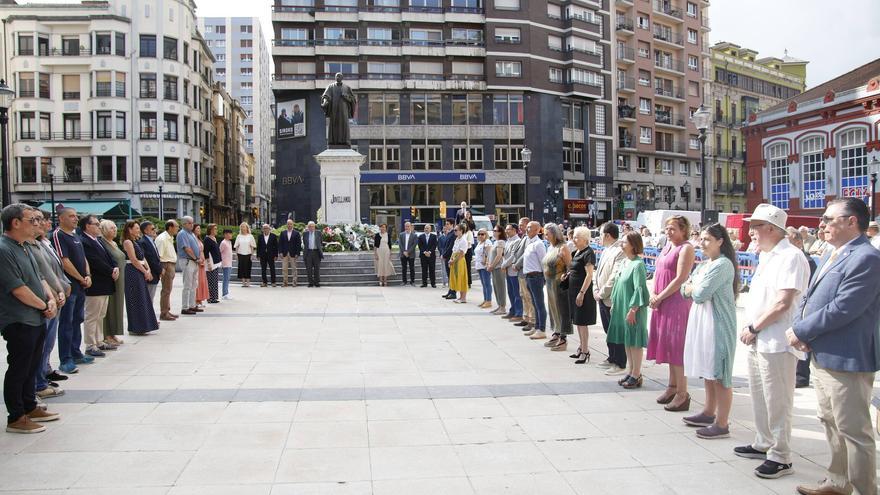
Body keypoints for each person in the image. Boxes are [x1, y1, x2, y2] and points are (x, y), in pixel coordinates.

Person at [788, 198, 880, 495]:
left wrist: (801, 330)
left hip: (846, 356)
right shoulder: (834, 252)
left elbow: (843, 308)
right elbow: (811, 296)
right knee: (830, 422)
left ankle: (866, 489)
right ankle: (839, 482)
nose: (822, 224)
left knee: (855, 431)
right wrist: (802, 329)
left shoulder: (866, 258)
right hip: (823, 353)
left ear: (852, 222)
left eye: (829, 219)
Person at [735, 203, 810, 480]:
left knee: (778, 399)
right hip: (759, 339)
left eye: (755, 226)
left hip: (776, 341)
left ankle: (781, 455)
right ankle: (763, 441)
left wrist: (754, 326)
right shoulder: (768, 255)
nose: (750, 231)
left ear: (771, 228)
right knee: (760, 396)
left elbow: (783, 302)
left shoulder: (791, 256)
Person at [0, 204, 61, 434]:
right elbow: (18, 288)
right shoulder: (4, 249)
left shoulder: (25, 246)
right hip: (19, 319)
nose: (37, 223)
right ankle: (16, 416)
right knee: (19, 368)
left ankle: (30, 405)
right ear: (15, 223)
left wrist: (50, 298)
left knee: (32, 366)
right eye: (31, 220)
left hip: (36, 317)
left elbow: (39, 278)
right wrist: (44, 304)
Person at [681, 224, 739, 439]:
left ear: (720, 241)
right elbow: (684, 288)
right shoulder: (705, 265)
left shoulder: (723, 265)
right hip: (702, 323)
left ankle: (722, 423)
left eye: (707, 239)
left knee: (720, 374)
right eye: (701, 239)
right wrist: (692, 287)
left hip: (717, 324)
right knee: (708, 370)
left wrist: (693, 288)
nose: (701, 243)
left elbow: (699, 294)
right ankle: (708, 411)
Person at [647, 215, 696, 412]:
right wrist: (654, 293)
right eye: (667, 228)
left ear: (684, 230)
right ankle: (672, 386)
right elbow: (658, 272)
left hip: (675, 301)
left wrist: (660, 296)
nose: (669, 232)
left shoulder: (686, 248)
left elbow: (681, 278)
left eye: (673, 228)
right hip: (662, 300)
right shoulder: (667, 247)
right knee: (667, 344)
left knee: (677, 347)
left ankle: (683, 393)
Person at [31, 211, 69, 399]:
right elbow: (39, 276)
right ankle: (38, 383)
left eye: (41, 219)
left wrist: (61, 289)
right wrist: (52, 296)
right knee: (41, 345)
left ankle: (42, 376)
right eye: (35, 220)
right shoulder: (27, 247)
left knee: (47, 343)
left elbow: (52, 271)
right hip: (44, 303)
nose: (40, 223)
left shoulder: (42, 244)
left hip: (54, 298)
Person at [606, 231, 650, 389]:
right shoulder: (625, 262)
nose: (621, 244)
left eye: (624, 242)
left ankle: (637, 373)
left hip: (633, 308)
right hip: (622, 306)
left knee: (635, 341)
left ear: (633, 245)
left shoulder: (638, 264)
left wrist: (633, 309)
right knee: (627, 340)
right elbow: (619, 285)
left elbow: (640, 288)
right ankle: (630, 371)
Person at [52, 207, 92, 373]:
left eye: (76, 216)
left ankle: (76, 352)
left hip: (81, 286)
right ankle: (65, 359)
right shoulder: (58, 235)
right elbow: (64, 261)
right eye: (71, 216)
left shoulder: (75, 236)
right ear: (61, 218)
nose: (75, 219)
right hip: (70, 287)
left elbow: (83, 258)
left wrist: (88, 274)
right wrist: (80, 278)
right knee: (66, 323)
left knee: (77, 320)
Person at [79, 214, 118, 358]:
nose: (98, 227)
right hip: (95, 284)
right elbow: (94, 261)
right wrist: (110, 270)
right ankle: (90, 344)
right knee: (92, 315)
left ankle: (99, 341)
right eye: (96, 224)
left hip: (105, 282)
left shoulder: (97, 240)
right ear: (87, 226)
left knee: (100, 315)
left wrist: (115, 267)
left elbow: (109, 257)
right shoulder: (84, 241)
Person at [593, 222, 628, 375]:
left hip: (610, 297)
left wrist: (602, 293)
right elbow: (598, 271)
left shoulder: (619, 250)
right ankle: (612, 356)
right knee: (608, 329)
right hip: (601, 295)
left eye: (600, 234)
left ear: (607, 235)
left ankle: (620, 362)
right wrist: (595, 288)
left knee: (616, 331)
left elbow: (615, 276)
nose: (598, 237)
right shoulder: (606, 250)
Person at [786, 227, 817, 388]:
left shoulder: (806, 260)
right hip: (797, 308)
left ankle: (802, 376)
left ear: (799, 241)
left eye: (790, 240)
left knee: (804, 341)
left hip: (804, 306)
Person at [121, 221, 159, 335]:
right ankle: (136, 327)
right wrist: (144, 271)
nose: (138, 230)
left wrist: (148, 270)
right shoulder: (127, 242)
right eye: (136, 228)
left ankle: (144, 325)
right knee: (135, 298)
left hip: (140, 271)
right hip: (133, 272)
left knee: (142, 298)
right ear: (129, 229)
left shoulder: (135, 241)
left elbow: (143, 258)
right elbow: (133, 260)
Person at [567, 226, 596, 364]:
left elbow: (589, 275)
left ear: (585, 239)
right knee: (578, 322)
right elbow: (574, 269)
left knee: (583, 323)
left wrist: (582, 293)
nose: (574, 239)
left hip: (582, 292)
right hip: (573, 291)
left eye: (577, 237)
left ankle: (585, 350)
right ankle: (581, 347)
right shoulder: (576, 252)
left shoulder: (588, 253)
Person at [541, 223, 572, 350]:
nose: (545, 236)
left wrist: (566, 276)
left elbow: (570, 266)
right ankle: (556, 332)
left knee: (561, 310)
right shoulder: (550, 247)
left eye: (547, 234)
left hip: (559, 283)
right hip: (549, 283)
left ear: (554, 234)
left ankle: (563, 338)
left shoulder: (563, 248)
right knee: (553, 309)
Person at [99, 220, 126, 346]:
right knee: (108, 307)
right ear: (103, 230)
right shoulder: (102, 243)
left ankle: (113, 332)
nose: (114, 230)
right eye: (111, 228)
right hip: (110, 279)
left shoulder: (114, 243)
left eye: (115, 228)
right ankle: (106, 334)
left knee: (117, 305)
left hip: (119, 279)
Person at [520, 221, 548, 338]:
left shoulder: (538, 244)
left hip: (536, 276)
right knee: (534, 304)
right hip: (529, 276)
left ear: (537, 230)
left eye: (530, 227)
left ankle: (541, 329)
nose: (527, 229)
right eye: (527, 227)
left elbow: (543, 262)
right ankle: (536, 327)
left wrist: (544, 278)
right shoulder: (530, 243)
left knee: (539, 303)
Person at [513, 217, 536, 331]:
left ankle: (532, 320)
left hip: (525, 271)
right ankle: (526, 317)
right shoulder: (524, 237)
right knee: (523, 295)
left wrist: (516, 264)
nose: (520, 227)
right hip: (520, 271)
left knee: (528, 296)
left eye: (522, 225)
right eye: (519, 225)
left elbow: (525, 255)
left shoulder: (530, 239)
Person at [154, 220, 179, 321]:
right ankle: (164, 313)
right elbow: (158, 256)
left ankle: (167, 310)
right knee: (166, 290)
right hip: (166, 265)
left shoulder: (169, 238)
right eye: (176, 226)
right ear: (170, 227)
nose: (178, 228)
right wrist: (162, 268)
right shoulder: (162, 239)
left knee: (168, 290)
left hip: (170, 264)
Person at [177, 217, 201, 315]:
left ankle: (192, 305)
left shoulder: (191, 234)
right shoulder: (182, 234)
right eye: (189, 223)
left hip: (194, 261)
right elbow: (187, 248)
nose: (192, 224)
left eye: (192, 222)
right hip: (188, 260)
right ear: (184, 224)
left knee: (194, 284)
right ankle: (185, 307)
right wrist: (196, 258)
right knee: (187, 285)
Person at [499, 224, 522, 321]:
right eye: (506, 229)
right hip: (508, 270)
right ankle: (512, 310)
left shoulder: (517, 241)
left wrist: (504, 265)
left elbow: (513, 256)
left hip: (513, 271)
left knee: (516, 293)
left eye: (509, 229)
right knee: (510, 292)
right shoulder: (508, 241)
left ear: (515, 230)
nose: (506, 231)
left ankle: (518, 313)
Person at [138, 221, 162, 306]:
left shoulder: (151, 241)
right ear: (145, 231)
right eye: (152, 229)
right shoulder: (143, 242)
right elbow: (149, 259)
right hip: (151, 274)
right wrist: (160, 270)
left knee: (151, 297)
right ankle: (148, 318)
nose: (154, 230)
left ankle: (149, 318)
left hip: (155, 274)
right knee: (149, 298)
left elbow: (156, 257)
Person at [486, 225, 507, 315]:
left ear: (500, 232)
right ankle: (499, 306)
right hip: (494, 268)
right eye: (493, 230)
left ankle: (502, 307)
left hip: (498, 268)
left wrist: (492, 266)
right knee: (496, 287)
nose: (493, 232)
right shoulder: (495, 242)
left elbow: (499, 256)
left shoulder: (501, 242)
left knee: (500, 288)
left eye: (495, 230)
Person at [447, 223, 469, 303]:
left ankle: (463, 298)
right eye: (454, 230)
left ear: (461, 231)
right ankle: (460, 297)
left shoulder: (463, 240)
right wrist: (450, 260)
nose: (454, 231)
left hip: (459, 261)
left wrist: (453, 260)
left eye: (456, 230)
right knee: (457, 278)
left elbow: (461, 253)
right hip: (454, 259)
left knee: (462, 278)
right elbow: (453, 251)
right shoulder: (457, 239)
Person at [278, 219, 302, 287]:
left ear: (292, 225)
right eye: (288, 224)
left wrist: (297, 253)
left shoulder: (296, 233)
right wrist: (280, 252)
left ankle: (294, 282)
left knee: (294, 268)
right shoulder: (283, 233)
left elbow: (298, 244)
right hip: (285, 253)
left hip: (293, 253)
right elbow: (280, 243)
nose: (289, 225)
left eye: (290, 224)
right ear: (286, 225)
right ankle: (285, 282)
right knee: (284, 268)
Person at [474, 228, 493, 308]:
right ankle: (485, 299)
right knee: (483, 284)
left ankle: (489, 300)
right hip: (479, 265)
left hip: (484, 265)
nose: (481, 235)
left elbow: (488, 252)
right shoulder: (479, 243)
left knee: (487, 283)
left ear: (486, 235)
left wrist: (485, 259)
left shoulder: (487, 242)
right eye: (479, 234)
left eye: (483, 234)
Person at [234, 222, 256, 287]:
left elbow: (252, 246)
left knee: (248, 268)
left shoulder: (250, 236)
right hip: (240, 254)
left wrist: (252, 255)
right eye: (242, 227)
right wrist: (236, 254)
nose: (243, 228)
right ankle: (243, 282)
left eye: (244, 226)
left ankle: (248, 282)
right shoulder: (239, 236)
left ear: (247, 228)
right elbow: (237, 246)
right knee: (241, 268)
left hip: (248, 254)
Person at [203, 224, 221, 303]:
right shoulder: (207, 239)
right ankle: (210, 298)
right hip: (210, 262)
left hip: (215, 262)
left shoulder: (214, 238)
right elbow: (206, 252)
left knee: (215, 280)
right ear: (210, 230)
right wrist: (208, 263)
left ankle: (214, 297)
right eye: (215, 229)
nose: (216, 230)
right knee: (210, 281)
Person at [302, 221, 323, 287]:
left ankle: (317, 282)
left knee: (317, 268)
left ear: (314, 227)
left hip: (316, 252)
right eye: (310, 226)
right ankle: (310, 282)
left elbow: (320, 242)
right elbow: (305, 243)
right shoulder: (305, 234)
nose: (311, 227)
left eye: (312, 226)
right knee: (309, 269)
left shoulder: (318, 233)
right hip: (308, 253)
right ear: (308, 227)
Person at [441, 220, 457, 298]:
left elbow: (450, 247)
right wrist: (443, 254)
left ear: (452, 225)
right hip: (447, 256)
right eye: (446, 224)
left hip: (450, 257)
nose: (446, 225)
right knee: (449, 275)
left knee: (451, 275)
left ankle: (453, 293)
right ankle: (450, 291)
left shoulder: (453, 234)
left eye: (447, 224)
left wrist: (444, 255)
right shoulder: (449, 233)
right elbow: (445, 246)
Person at [194, 225, 209, 308]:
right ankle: (195, 300)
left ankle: (200, 300)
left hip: (202, 262)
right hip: (197, 262)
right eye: (197, 228)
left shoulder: (199, 239)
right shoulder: (193, 239)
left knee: (202, 281)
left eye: (200, 228)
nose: (199, 230)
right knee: (197, 281)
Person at [397, 222, 417, 286]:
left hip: (411, 254)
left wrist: (408, 252)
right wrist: (404, 252)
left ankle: (412, 281)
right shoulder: (401, 234)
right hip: (403, 254)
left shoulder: (414, 235)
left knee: (412, 268)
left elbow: (414, 245)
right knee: (404, 268)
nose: (407, 227)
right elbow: (400, 244)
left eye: (408, 226)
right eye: (406, 226)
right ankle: (404, 281)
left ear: (410, 227)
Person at [418, 224, 437, 288]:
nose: (426, 229)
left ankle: (433, 283)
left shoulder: (434, 236)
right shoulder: (420, 236)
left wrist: (429, 252)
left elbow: (434, 245)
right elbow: (420, 246)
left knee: (432, 269)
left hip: (431, 256)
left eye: (427, 228)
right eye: (425, 228)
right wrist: (425, 252)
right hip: (423, 256)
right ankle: (424, 283)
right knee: (424, 270)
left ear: (430, 229)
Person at [220, 230, 234, 299]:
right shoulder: (223, 243)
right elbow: (219, 252)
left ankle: (226, 293)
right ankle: (224, 294)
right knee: (225, 279)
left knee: (227, 279)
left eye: (231, 234)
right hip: (225, 263)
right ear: (225, 234)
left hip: (229, 263)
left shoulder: (229, 242)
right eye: (229, 234)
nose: (231, 235)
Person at [437, 221, 452, 288]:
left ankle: (449, 282)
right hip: (443, 254)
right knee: (443, 270)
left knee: (449, 270)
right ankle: (444, 282)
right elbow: (440, 247)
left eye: (446, 228)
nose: (445, 230)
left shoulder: (450, 236)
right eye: (444, 229)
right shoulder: (440, 237)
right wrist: (442, 254)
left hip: (448, 255)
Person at [463, 213, 476, 287]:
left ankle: (469, 282)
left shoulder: (469, 233)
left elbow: (469, 243)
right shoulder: (462, 233)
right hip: (463, 251)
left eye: (465, 225)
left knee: (468, 267)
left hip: (467, 251)